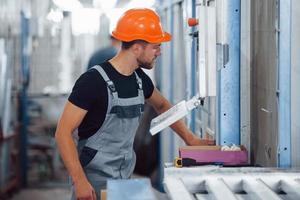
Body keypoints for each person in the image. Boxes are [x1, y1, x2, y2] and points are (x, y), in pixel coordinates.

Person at [55, 8, 214, 200]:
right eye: (155, 46)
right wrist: (79, 181)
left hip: (123, 178)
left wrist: (190, 138)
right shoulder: (92, 81)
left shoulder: (139, 80)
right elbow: (63, 132)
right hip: (92, 186)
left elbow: (163, 105)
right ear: (137, 47)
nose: (159, 52)